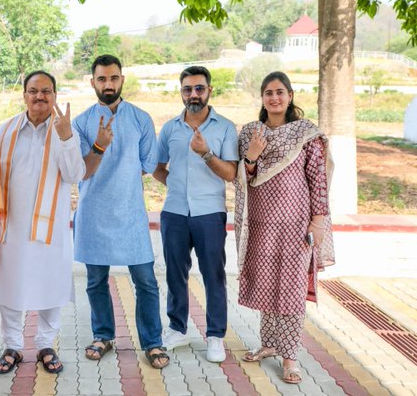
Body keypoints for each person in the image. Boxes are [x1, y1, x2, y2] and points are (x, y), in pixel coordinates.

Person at [234, 71, 335, 384]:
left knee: (290, 291)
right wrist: (251, 156)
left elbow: (318, 180)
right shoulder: (252, 133)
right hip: (261, 223)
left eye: (280, 92)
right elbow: (244, 178)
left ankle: (290, 357)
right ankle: (268, 344)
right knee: (267, 283)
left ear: (290, 95)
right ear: (262, 99)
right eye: (268, 93)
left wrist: (318, 220)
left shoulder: (306, 134)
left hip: (296, 225)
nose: (274, 98)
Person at [73, 54, 169, 369]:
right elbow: (81, 172)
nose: (108, 84)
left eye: (113, 78)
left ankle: (153, 342)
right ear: (93, 82)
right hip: (93, 214)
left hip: (130, 213)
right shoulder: (81, 122)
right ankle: (103, 336)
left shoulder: (140, 118)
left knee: (146, 281)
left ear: (122, 79)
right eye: (102, 79)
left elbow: (147, 164)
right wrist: (100, 147)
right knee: (95, 281)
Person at [0, 70, 85, 375]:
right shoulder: (4, 131)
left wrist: (67, 137)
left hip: (50, 227)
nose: (39, 96)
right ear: (24, 95)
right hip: (11, 225)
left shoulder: (65, 131)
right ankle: (12, 346)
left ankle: (45, 343)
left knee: (50, 282)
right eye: (33, 90)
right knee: (11, 284)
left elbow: (75, 175)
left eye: (46, 91)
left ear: (55, 95)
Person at [153, 66, 238, 362]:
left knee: (213, 275)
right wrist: (174, 185)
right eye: (187, 89)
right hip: (174, 212)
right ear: (181, 92)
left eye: (199, 88)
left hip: (209, 213)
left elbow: (230, 173)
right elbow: (157, 165)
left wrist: (205, 154)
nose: (193, 94)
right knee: (175, 274)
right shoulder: (169, 129)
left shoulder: (225, 127)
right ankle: (178, 328)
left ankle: (215, 335)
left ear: (209, 90)